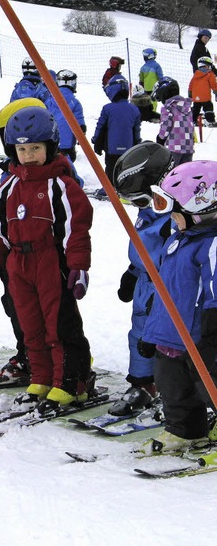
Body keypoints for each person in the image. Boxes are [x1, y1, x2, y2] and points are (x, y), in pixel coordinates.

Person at [0, 106, 94, 414]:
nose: (29, 155)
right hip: (18, 263)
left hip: (50, 261)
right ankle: (42, 376)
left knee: (58, 324)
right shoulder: (9, 186)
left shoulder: (61, 186)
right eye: (22, 149)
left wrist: (78, 267)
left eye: (35, 148)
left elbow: (76, 229)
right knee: (30, 324)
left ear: (50, 147)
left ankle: (72, 381)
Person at [137, 161, 217, 453]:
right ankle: (186, 431)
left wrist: (211, 334)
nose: (171, 217)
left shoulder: (211, 245)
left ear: (199, 209)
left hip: (198, 336)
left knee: (209, 387)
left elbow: (214, 292)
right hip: (171, 338)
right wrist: (151, 332)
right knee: (174, 389)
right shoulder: (177, 240)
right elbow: (164, 291)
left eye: (175, 211)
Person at [110, 142, 175, 416]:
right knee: (138, 335)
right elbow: (142, 249)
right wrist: (132, 271)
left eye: (138, 201)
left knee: (167, 343)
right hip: (145, 286)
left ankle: (177, 391)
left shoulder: (176, 217)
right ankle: (142, 384)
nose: (135, 208)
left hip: (170, 288)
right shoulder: (148, 215)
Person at [92, 74, 141, 196]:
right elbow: (136, 131)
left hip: (111, 147)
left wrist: (96, 140)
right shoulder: (134, 109)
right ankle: (126, 188)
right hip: (128, 148)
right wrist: (138, 144)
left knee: (110, 168)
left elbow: (100, 127)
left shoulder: (107, 109)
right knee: (126, 169)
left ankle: (108, 189)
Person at [152, 76, 194, 167]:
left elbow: (166, 125)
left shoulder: (168, 108)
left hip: (174, 147)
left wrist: (160, 139)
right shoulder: (187, 107)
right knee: (184, 172)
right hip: (188, 147)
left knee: (172, 174)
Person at [45, 69, 86, 162]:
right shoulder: (75, 103)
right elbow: (80, 122)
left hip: (51, 141)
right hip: (68, 144)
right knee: (68, 165)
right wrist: (82, 133)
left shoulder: (49, 100)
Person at [188, 56, 217, 127]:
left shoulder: (196, 74)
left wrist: (190, 93)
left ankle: (193, 120)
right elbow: (214, 85)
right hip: (205, 97)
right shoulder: (210, 75)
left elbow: (191, 85)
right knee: (208, 107)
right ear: (206, 66)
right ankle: (210, 121)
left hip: (196, 97)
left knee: (196, 108)